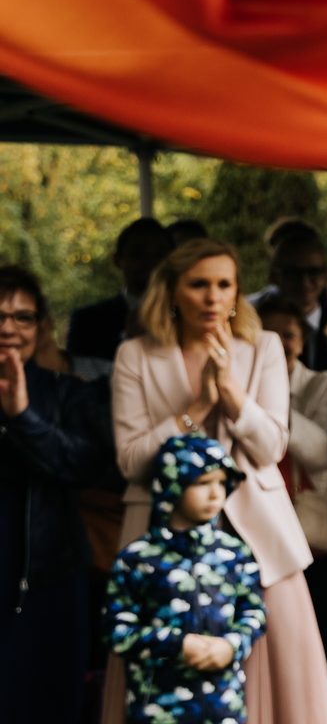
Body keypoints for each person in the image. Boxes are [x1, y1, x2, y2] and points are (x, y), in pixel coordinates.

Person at [105, 238, 327, 724]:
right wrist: (194, 413)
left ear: (237, 293)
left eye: (224, 285)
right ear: (171, 290)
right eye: (199, 284)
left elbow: (272, 446)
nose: (212, 297)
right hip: (161, 541)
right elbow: (131, 461)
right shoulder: (135, 355)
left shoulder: (265, 347)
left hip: (259, 540)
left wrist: (232, 398)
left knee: (282, 690)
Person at [0, 265, 115, 722]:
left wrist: (23, 416)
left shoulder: (70, 394)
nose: (8, 327)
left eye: (23, 317)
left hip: (45, 571)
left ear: (42, 327)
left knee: (45, 701)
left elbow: (83, 466)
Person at [104, 433, 267, 724]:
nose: (216, 493)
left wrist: (231, 645)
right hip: (157, 708)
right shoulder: (138, 559)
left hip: (222, 705)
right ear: (172, 484)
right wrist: (176, 645)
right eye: (202, 483)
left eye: (221, 482)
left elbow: (254, 613)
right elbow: (117, 631)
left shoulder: (235, 553)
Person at [253, 303, 327, 655]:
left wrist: (267, 399)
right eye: (268, 334)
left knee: (313, 632)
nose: (278, 342)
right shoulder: (241, 388)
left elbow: (324, 451)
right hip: (260, 522)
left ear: (303, 340)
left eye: (288, 334)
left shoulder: (325, 385)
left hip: (311, 525)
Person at [68, 218, 174, 382]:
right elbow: (78, 386)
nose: (149, 263)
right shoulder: (88, 321)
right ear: (118, 259)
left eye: (158, 255)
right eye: (138, 254)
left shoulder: (188, 316)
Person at [268, 230, 327, 373]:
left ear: (326, 275)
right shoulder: (257, 327)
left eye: (313, 272)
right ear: (275, 276)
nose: (304, 282)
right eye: (293, 273)